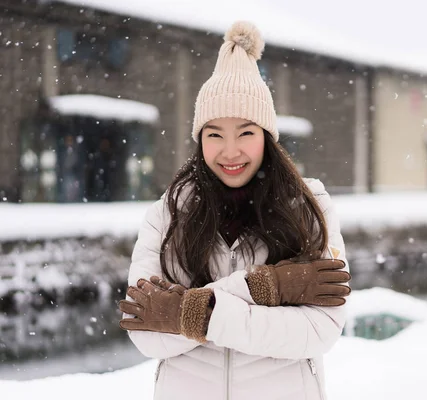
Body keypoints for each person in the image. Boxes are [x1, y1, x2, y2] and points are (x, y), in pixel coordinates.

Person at [118, 21, 351, 400]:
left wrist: (187, 313)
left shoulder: (307, 207)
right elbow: (145, 329)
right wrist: (264, 289)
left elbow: (320, 329)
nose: (230, 151)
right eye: (215, 134)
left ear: (266, 138)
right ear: (199, 139)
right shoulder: (168, 213)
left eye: (245, 133)